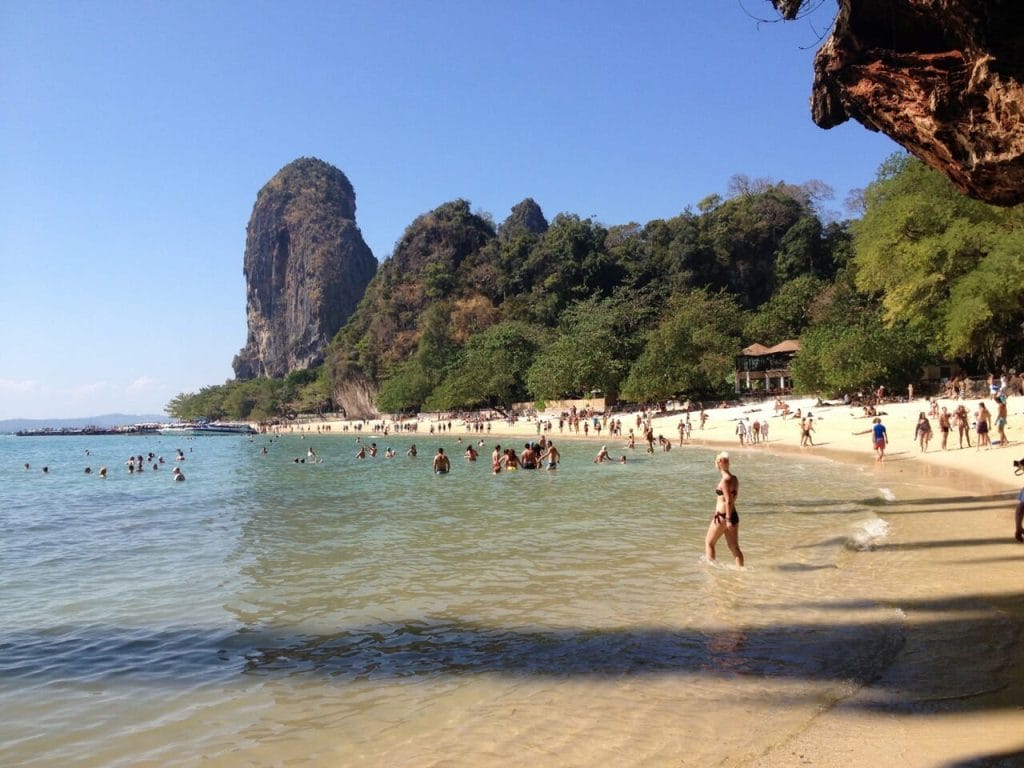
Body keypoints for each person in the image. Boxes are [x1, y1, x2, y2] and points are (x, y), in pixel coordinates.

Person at [705, 451, 743, 566]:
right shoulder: (734, 478)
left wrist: (727, 520)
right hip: (733, 515)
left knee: (709, 543)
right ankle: (740, 572)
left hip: (724, 517)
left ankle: (710, 569)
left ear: (719, 463)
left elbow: (728, 500)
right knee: (734, 548)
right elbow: (732, 498)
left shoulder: (725, 480)